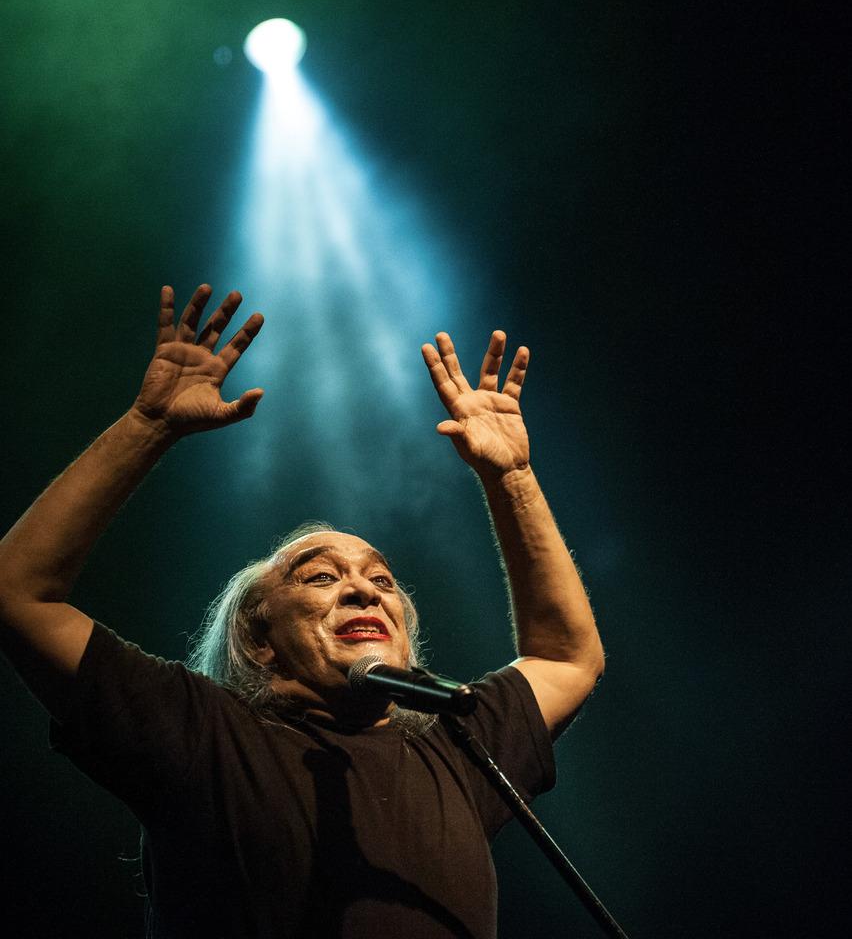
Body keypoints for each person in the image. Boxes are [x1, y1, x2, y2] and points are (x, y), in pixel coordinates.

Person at [0, 283, 605, 939]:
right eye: (321, 577)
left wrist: (511, 476)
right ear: (260, 638)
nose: (365, 589)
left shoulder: (458, 748)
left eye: (382, 579)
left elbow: (565, 656)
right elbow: (16, 593)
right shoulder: (202, 737)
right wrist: (147, 427)